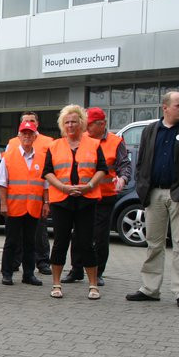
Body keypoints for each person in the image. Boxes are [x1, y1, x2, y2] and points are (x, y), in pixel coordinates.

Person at [126, 91, 179, 308]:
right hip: (154, 193)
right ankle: (150, 289)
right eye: (178, 105)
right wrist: (143, 187)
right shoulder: (151, 130)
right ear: (165, 108)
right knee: (154, 243)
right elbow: (141, 160)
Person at [43, 104, 107, 300]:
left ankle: (93, 285)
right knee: (60, 242)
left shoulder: (94, 144)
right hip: (62, 200)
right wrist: (62, 187)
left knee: (86, 243)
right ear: (62, 125)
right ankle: (56, 284)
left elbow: (102, 169)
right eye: (66, 122)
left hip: (86, 200)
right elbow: (47, 172)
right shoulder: (54, 145)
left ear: (82, 122)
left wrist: (89, 186)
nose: (70, 125)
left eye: (74, 121)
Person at [62, 107, 132, 286]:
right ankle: (76, 270)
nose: (86, 128)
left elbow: (124, 165)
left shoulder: (116, 142)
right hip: (82, 196)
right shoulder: (81, 140)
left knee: (100, 237)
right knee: (78, 235)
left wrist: (122, 179)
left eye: (90, 124)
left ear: (102, 124)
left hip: (104, 197)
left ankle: (98, 272)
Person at [0, 120, 48, 286]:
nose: (27, 136)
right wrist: (3, 204)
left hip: (33, 208)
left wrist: (46, 203)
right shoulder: (8, 157)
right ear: (18, 135)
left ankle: (29, 274)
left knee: (30, 243)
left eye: (30, 133)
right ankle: (7, 273)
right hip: (14, 207)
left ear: (35, 136)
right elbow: (2, 182)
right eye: (24, 133)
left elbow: (46, 184)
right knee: (11, 242)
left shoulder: (42, 157)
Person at [5, 111, 55, 275]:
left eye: (32, 121)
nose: (29, 124)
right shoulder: (12, 143)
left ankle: (42, 262)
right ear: (19, 131)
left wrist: (46, 201)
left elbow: (49, 174)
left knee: (38, 234)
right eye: (25, 122)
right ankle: (14, 263)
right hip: (16, 201)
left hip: (36, 199)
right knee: (15, 237)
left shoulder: (48, 142)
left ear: (37, 124)